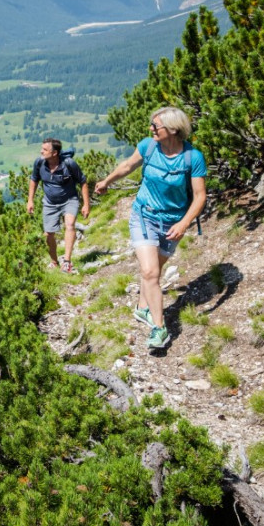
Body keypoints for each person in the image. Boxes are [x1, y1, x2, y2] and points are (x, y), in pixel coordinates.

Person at [94, 106, 206, 351]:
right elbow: (127, 166)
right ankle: (159, 328)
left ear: (173, 129)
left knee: (155, 268)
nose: (151, 129)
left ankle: (142, 307)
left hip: (173, 221)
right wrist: (106, 182)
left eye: (156, 126)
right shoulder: (148, 146)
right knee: (150, 272)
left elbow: (199, 196)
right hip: (144, 216)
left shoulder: (192, 158)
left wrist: (184, 223)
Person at [26, 139, 89, 271]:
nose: (41, 151)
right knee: (48, 234)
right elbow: (34, 180)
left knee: (70, 224)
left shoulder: (69, 164)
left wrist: (86, 204)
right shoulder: (39, 163)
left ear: (54, 153)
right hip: (50, 203)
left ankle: (67, 261)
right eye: (42, 148)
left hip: (69, 200)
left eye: (44, 149)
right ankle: (54, 262)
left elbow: (83, 182)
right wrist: (30, 200)